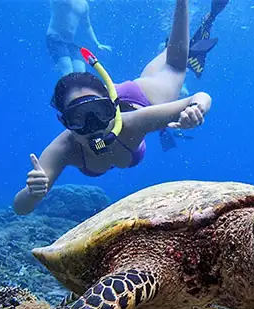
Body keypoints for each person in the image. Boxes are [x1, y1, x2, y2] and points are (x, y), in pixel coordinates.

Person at [14, 0, 212, 216]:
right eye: (78, 118)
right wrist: (33, 193)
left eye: (99, 113)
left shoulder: (134, 121)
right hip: (107, 97)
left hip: (140, 95)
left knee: (176, 65)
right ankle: (163, 50)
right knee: (170, 63)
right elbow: (21, 208)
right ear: (65, 122)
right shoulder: (64, 148)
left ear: (111, 107)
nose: (93, 126)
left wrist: (196, 109)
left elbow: (200, 97)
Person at [159, 0, 229, 151]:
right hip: (183, 62)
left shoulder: (173, 67)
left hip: (181, 62)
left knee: (184, 50)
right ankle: (211, 15)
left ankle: (211, 15)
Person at [46, 0, 112, 76]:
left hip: (70, 42)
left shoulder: (83, 4)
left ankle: (74, 84)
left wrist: (96, 43)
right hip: (55, 38)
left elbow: (87, 26)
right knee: (67, 69)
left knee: (80, 71)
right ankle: (62, 71)